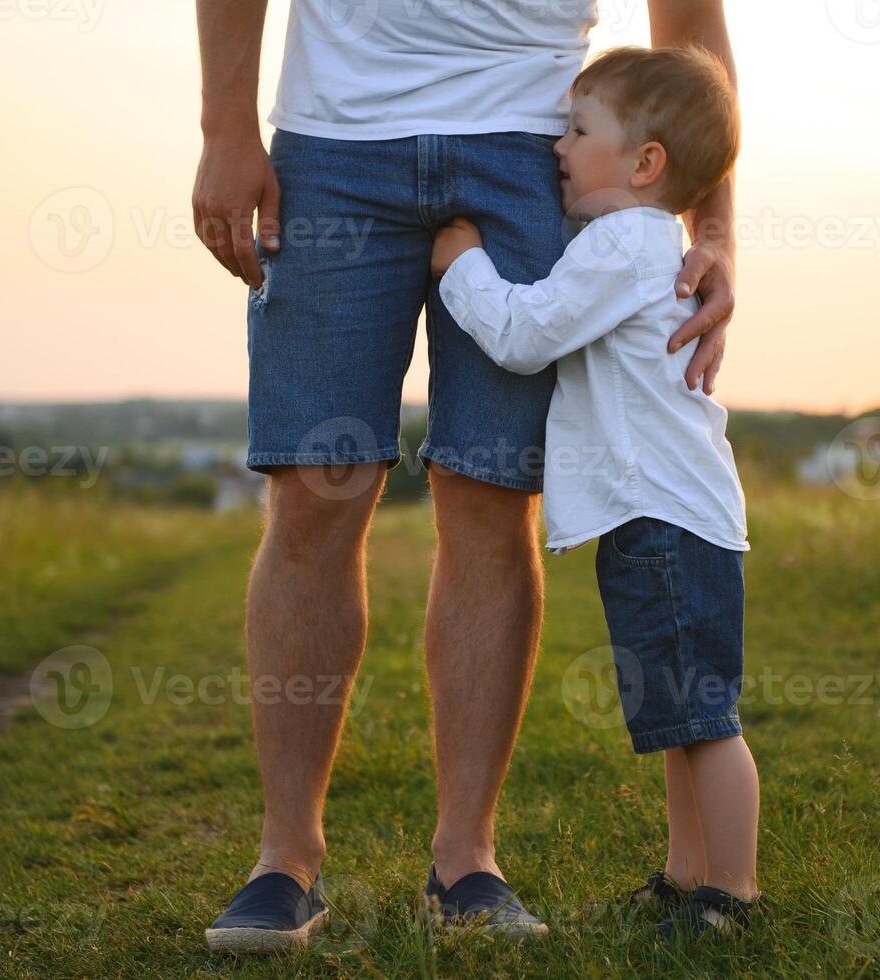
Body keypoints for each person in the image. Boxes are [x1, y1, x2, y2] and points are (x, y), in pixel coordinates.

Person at [191, 0, 738, 953]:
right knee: (314, 498)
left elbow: (689, 21)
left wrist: (713, 227)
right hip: (334, 139)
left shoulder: (590, 168)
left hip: (539, 149)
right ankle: (283, 864)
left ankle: (466, 863)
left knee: (490, 503)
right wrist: (225, 127)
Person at [430, 45, 759, 939]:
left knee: (704, 718)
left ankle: (730, 889)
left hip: (663, 513)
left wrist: (460, 262)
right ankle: (685, 874)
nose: (557, 146)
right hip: (660, 510)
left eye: (578, 129)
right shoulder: (639, 244)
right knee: (675, 713)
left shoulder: (623, 242)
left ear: (645, 164)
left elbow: (526, 334)